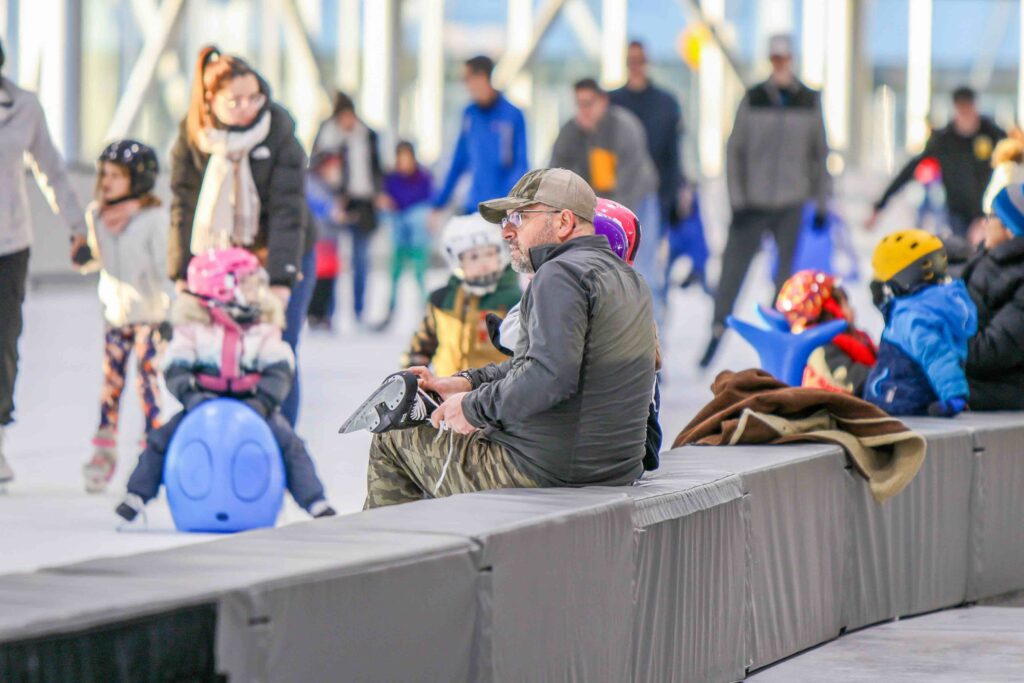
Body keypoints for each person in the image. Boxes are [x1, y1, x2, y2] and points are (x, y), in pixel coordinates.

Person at [360, 168, 657, 508]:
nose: (506, 232)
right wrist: (465, 383)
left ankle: (396, 542)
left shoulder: (559, 274)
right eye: (505, 221)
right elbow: (545, 363)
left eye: (520, 217)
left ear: (563, 222)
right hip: (610, 467)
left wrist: (471, 409)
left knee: (393, 439)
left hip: (545, 470)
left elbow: (548, 376)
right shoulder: (628, 279)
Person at [116, 248, 334, 521]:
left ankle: (315, 501)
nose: (256, 290)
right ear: (221, 288)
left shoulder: (263, 324)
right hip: (202, 403)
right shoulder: (193, 326)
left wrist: (263, 401)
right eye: (247, 284)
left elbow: (280, 367)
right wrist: (192, 397)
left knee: (290, 443)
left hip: (252, 404)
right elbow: (175, 365)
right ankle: (136, 495)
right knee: (161, 439)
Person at [169, 46, 316, 427]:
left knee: (276, 349)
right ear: (210, 100)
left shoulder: (279, 132)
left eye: (255, 97)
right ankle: (225, 435)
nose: (248, 107)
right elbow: (183, 206)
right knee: (217, 352)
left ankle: (279, 440)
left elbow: (288, 210)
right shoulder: (192, 138)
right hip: (218, 266)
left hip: (280, 256)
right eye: (234, 101)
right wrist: (181, 273)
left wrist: (281, 281)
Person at [701, 34, 831, 368]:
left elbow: (820, 155)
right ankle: (718, 327)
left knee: (785, 277)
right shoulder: (754, 97)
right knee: (733, 270)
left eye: (784, 58)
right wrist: (738, 199)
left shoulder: (808, 100)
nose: (780, 64)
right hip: (752, 203)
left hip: (791, 202)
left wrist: (821, 203)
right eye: (775, 58)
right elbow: (735, 150)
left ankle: (777, 333)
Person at [0, 38, 89, 483]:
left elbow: (51, 170)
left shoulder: (24, 108)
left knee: (3, 343)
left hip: (9, 243)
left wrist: (77, 226)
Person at [78, 140, 172, 493]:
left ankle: (154, 452)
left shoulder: (153, 220)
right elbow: (100, 258)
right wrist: (85, 256)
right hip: (116, 316)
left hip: (150, 316)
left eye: (116, 175)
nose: (106, 182)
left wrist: (173, 313)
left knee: (148, 383)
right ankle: (103, 453)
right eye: (104, 174)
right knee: (111, 386)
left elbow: (164, 269)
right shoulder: (97, 216)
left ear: (139, 178)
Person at [550, 78, 661, 325]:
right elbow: (555, 175)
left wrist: (603, 227)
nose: (583, 111)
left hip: (637, 204)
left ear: (603, 102)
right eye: (579, 104)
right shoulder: (570, 132)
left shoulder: (625, 128)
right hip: (594, 210)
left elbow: (629, 186)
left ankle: (653, 332)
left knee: (642, 270)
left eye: (589, 103)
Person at [610, 41, 694, 298]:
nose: (636, 66)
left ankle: (653, 319)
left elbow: (674, 154)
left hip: (655, 199)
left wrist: (677, 193)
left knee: (651, 271)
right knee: (616, 270)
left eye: (640, 61)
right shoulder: (612, 103)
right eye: (631, 61)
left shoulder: (665, 103)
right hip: (618, 199)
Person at [863, 229, 977, 417]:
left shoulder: (912, 317)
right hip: (903, 403)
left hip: (901, 405)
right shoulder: (936, 305)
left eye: (886, 281)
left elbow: (937, 355)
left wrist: (954, 397)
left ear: (901, 279)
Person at [869, 87, 1006, 238]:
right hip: (957, 214)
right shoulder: (944, 140)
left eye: (968, 110)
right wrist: (880, 205)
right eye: (962, 111)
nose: (966, 116)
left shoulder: (992, 134)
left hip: (989, 211)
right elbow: (909, 170)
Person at [401, 213, 520, 376]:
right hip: (444, 383)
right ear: (457, 261)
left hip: (491, 387)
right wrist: (412, 374)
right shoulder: (442, 299)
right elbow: (422, 344)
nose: (483, 262)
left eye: (490, 254)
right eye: (474, 257)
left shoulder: (514, 299)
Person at [312, 92, 384, 326]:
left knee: (360, 260)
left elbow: (377, 168)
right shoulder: (328, 135)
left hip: (362, 204)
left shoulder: (368, 136)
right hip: (334, 202)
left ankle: (359, 311)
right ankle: (326, 313)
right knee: (328, 260)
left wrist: (378, 194)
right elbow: (316, 167)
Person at [431, 55, 528, 217]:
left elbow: (520, 165)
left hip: (502, 211)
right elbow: (458, 162)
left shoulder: (513, 115)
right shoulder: (469, 115)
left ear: (481, 77)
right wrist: (438, 204)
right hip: (473, 207)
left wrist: (509, 204)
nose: (465, 84)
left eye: (467, 78)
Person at [962, 184, 1024, 409]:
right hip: (979, 384)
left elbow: (990, 353)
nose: (984, 223)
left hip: (1000, 391)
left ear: (1010, 228)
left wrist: (937, 337)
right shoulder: (988, 260)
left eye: (992, 215)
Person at [774, 270, 876, 395]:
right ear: (831, 311)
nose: (852, 309)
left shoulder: (852, 337)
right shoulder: (820, 351)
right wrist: (882, 376)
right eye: (845, 303)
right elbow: (850, 379)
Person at [377, 141, 434, 328]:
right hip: (399, 234)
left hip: (417, 237)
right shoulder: (391, 179)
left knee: (420, 274)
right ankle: (390, 310)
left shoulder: (423, 177)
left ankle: (428, 314)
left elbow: (429, 203)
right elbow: (387, 203)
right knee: (394, 273)